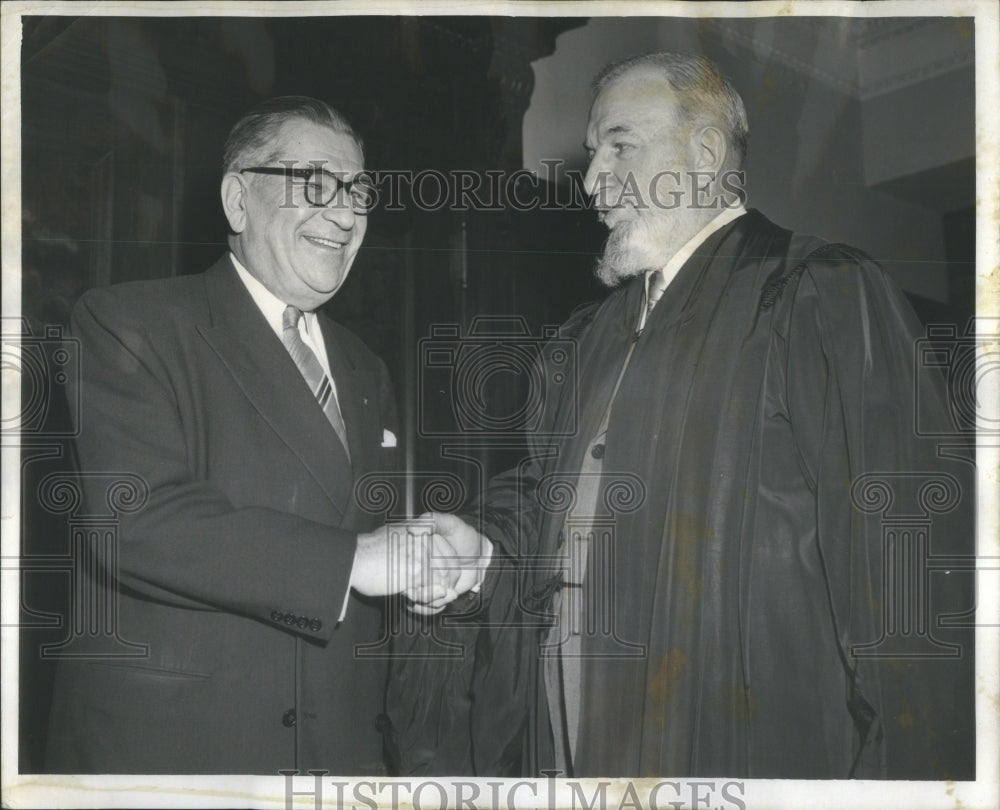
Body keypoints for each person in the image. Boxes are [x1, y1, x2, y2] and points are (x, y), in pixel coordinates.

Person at [384, 53, 975, 779]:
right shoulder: (585, 339)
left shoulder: (818, 296)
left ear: (703, 153)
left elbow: (909, 567)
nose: (594, 179)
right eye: (594, 152)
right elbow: (549, 505)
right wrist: (479, 549)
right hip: (573, 733)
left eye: (620, 146)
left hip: (740, 739)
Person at [45, 96, 448, 774]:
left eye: (359, 190)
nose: (347, 213)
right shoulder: (129, 322)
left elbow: (365, 543)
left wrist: (436, 568)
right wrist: (358, 563)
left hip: (336, 761)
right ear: (238, 200)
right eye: (315, 183)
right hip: (181, 760)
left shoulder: (365, 364)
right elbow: (136, 519)